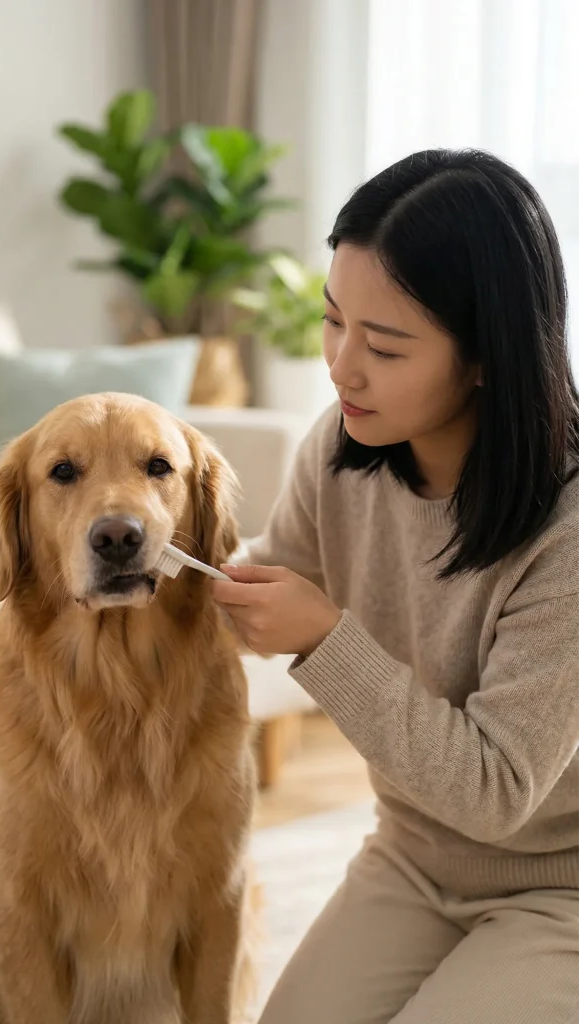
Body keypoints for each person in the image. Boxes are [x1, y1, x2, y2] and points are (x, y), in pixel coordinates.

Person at [213, 148, 579, 1024]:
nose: (342, 365)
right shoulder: (339, 453)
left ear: (488, 356)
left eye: (384, 345)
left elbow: (496, 792)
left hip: (562, 888)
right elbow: (272, 573)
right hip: (413, 858)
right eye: (335, 321)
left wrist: (321, 637)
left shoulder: (566, 527)